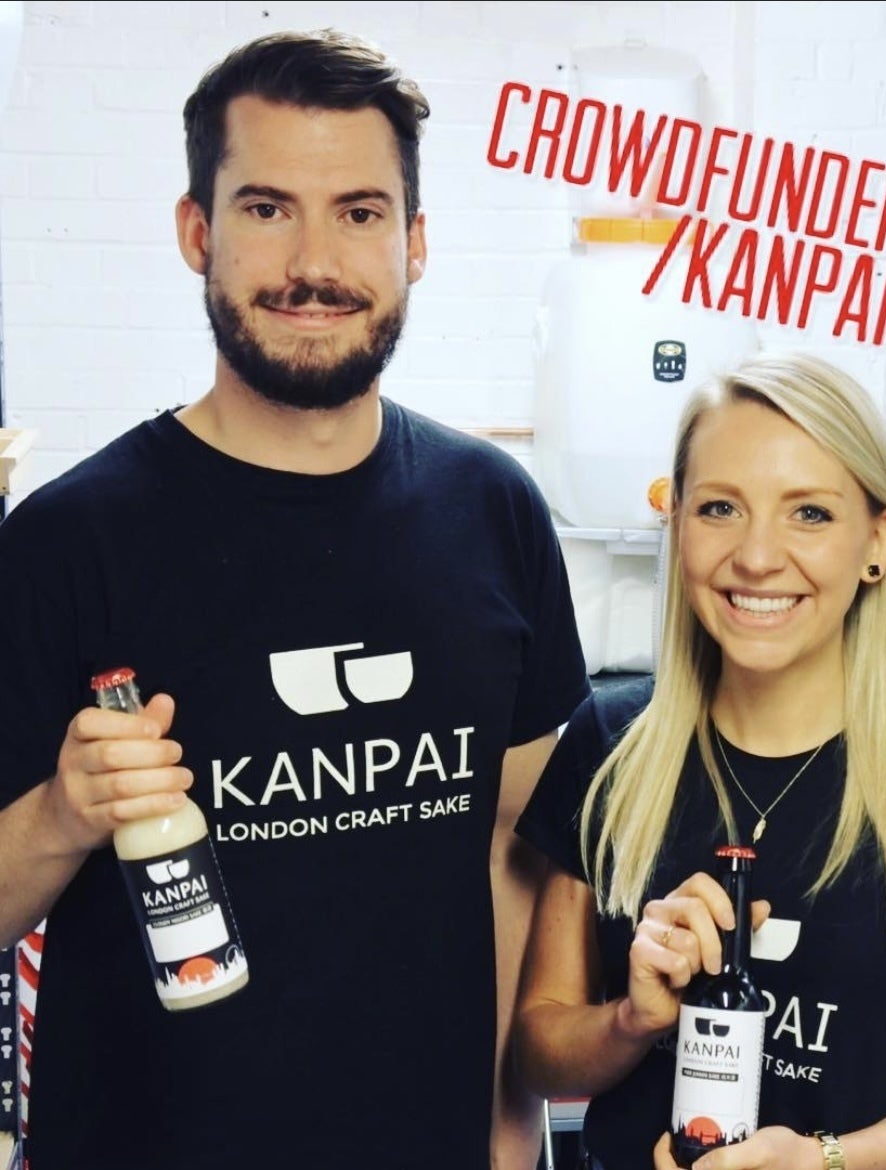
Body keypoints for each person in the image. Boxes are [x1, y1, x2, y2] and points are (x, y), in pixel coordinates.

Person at [0, 29, 589, 1170]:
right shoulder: (66, 542)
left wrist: (512, 1132)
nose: (313, 263)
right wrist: (64, 815)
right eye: (267, 208)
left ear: (414, 243)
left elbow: (513, 849)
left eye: (359, 212)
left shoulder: (494, 510)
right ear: (197, 232)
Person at [513, 353, 886, 1170]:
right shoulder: (609, 741)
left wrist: (826, 1161)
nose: (757, 557)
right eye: (720, 508)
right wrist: (633, 1020)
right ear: (677, 524)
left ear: (877, 542)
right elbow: (537, 1054)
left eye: (809, 513)